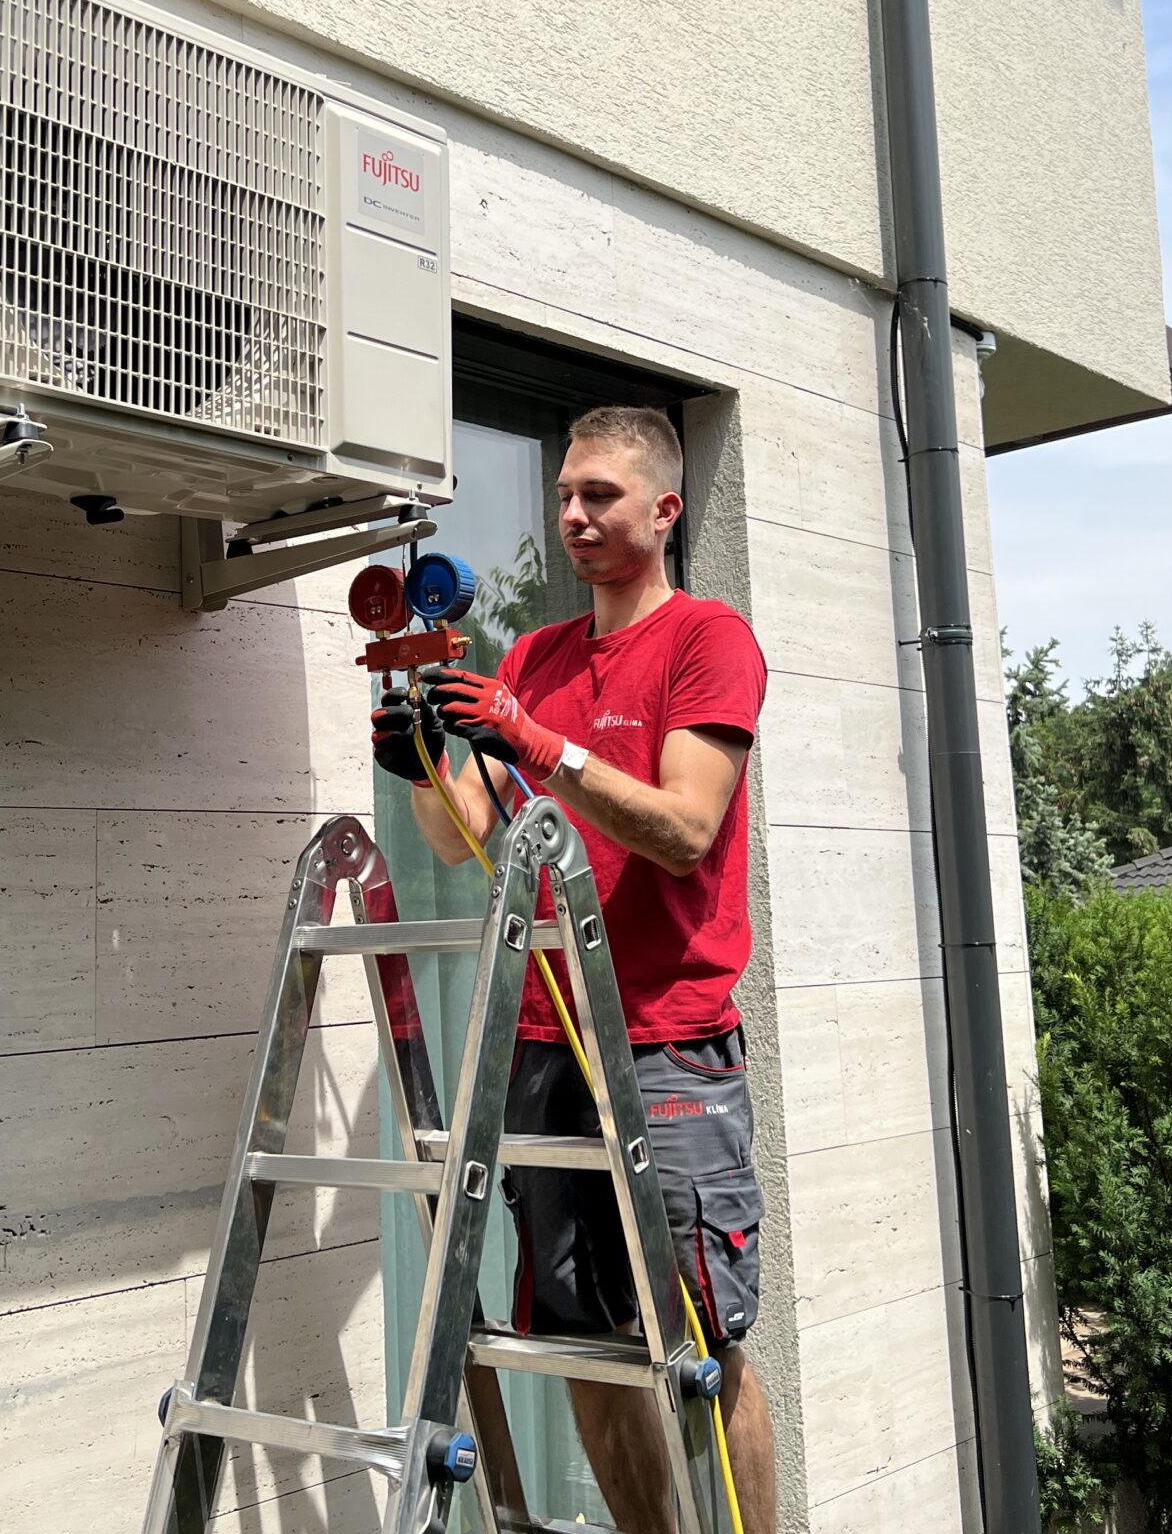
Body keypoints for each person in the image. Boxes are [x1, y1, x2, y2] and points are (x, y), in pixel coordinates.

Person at [371, 404, 776, 1534]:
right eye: (563, 495)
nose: (574, 516)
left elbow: (686, 828)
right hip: (547, 1040)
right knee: (584, 1342)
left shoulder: (707, 640)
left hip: (666, 1045)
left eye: (600, 494)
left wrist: (538, 743)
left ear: (665, 508)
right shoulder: (538, 659)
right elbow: (464, 831)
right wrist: (422, 756)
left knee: (701, 1344)